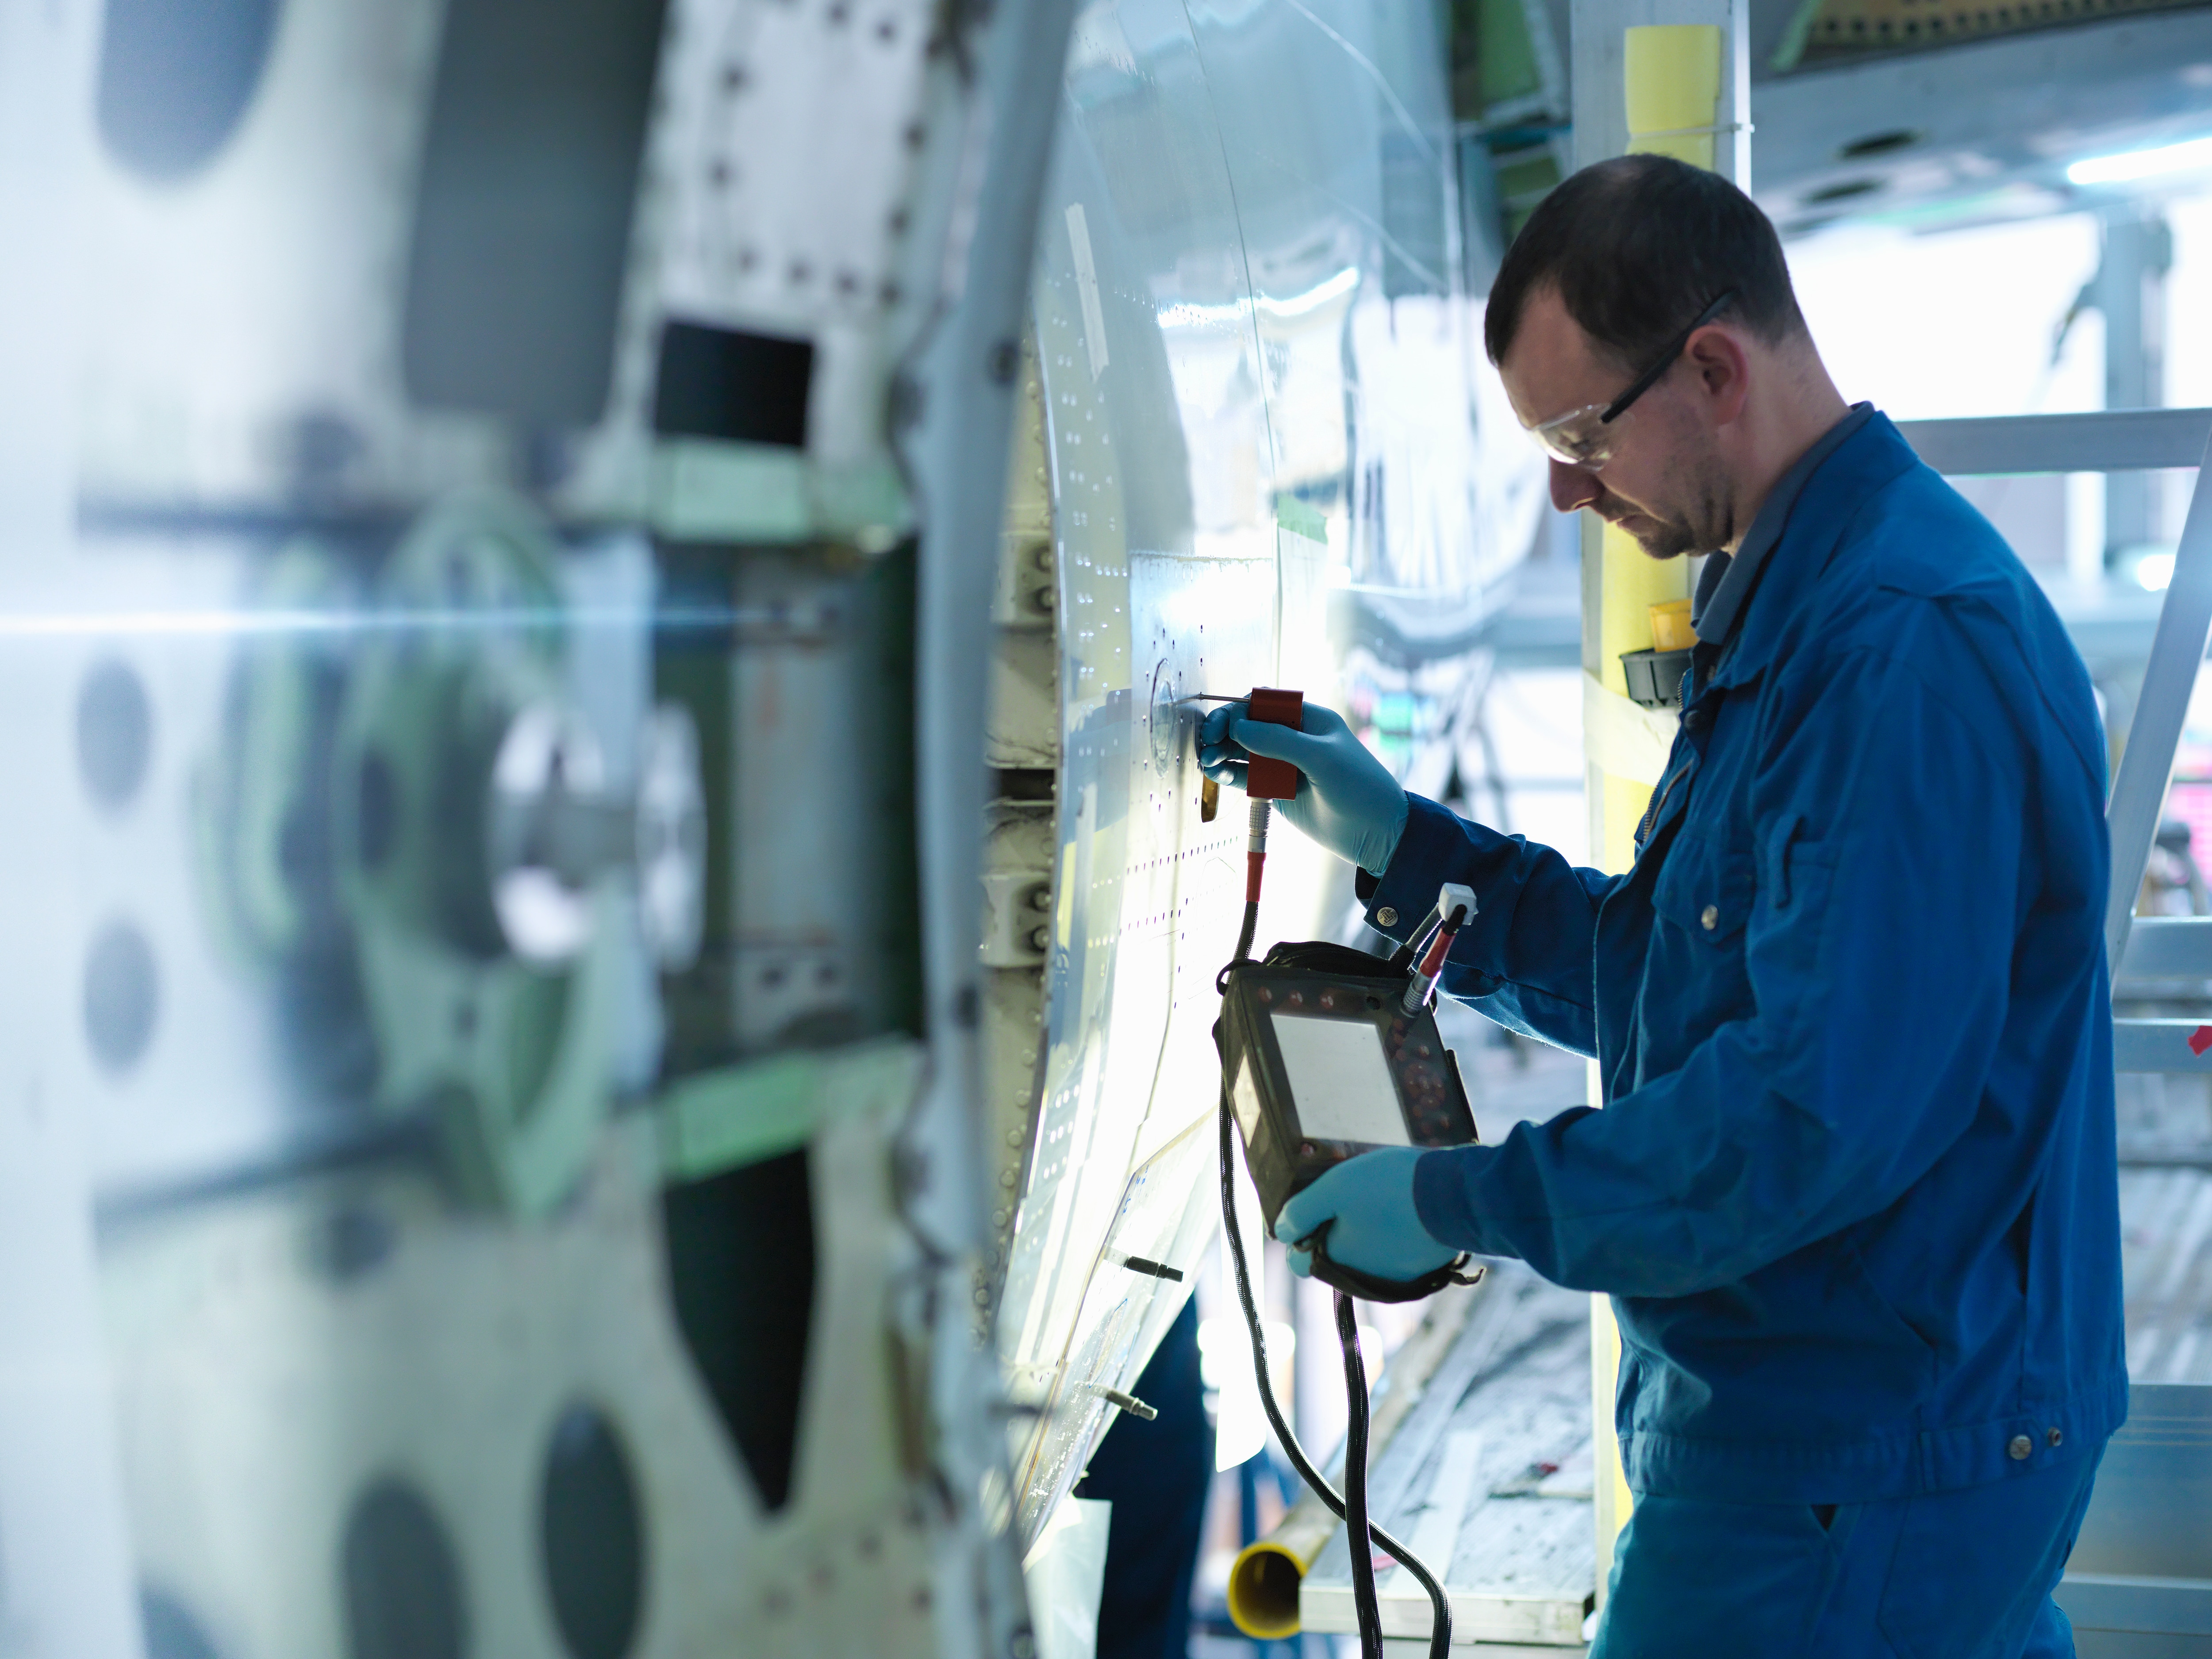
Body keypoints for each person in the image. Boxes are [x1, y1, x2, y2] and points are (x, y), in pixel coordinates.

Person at [1199, 154, 2124, 1658]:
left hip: (1862, 1459)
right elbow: (1674, 976)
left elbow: (1804, 1116)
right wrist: (1401, 844)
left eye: (1579, 434)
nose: (1566, 486)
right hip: (1843, 1432)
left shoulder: (1897, 652)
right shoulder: (1804, 597)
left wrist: (1464, 1198)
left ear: (1711, 367)